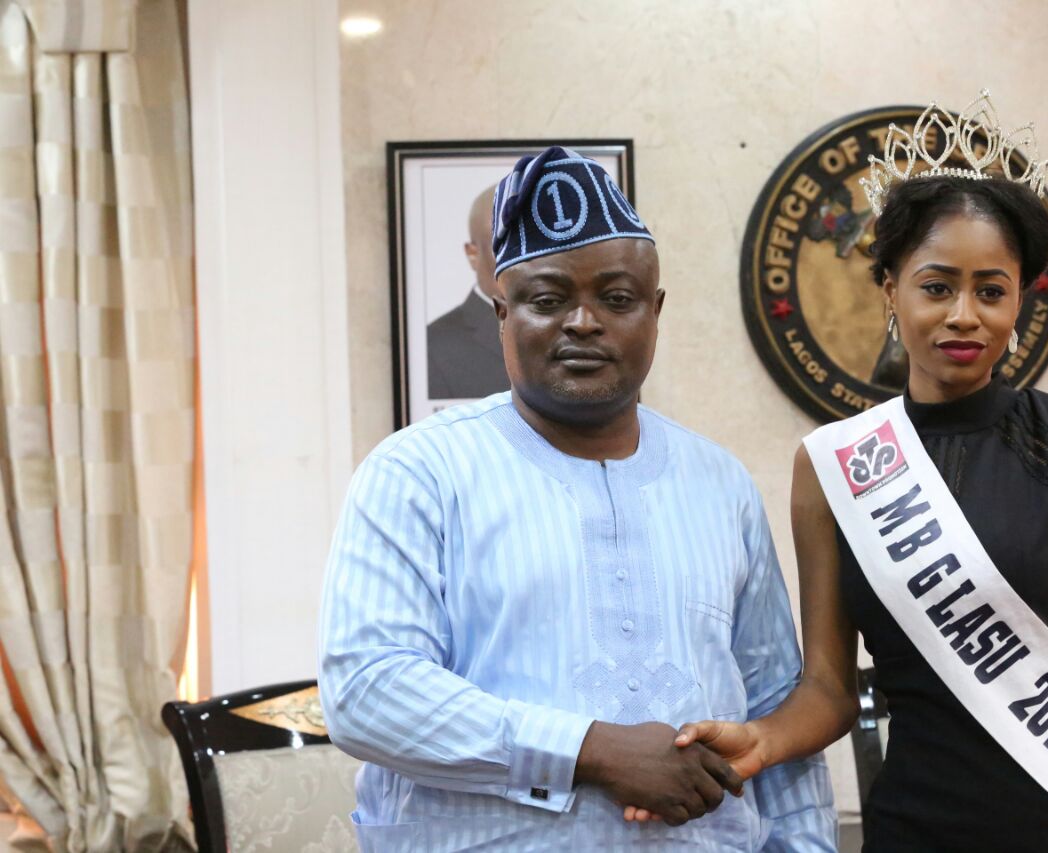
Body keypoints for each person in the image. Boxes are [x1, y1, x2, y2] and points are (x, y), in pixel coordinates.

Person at [634, 95, 1048, 851]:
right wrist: (760, 739)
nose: (963, 314)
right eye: (936, 285)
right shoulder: (832, 466)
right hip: (914, 828)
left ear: (1019, 300)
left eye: (992, 290)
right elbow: (828, 686)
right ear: (890, 290)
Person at [318, 146, 836, 851]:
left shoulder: (721, 484)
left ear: (655, 311)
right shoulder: (418, 473)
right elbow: (367, 694)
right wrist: (588, 749)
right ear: (502, 311)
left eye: (616, 299)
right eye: (548, 298)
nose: (583, 322)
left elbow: (773, 710)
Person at [425, 184, 510, 399]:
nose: (523, 258)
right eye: (505, 244)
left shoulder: (572, 326)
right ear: (473, 254)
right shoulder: (434, 344)